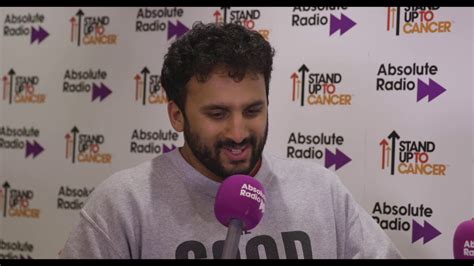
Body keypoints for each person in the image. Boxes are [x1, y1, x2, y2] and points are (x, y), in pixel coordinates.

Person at [59, 21, 403, 259]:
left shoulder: (321, 190)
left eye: (252, 110)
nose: (238, 133)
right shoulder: (123, 205)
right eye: (217, 114)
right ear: (176, 114)